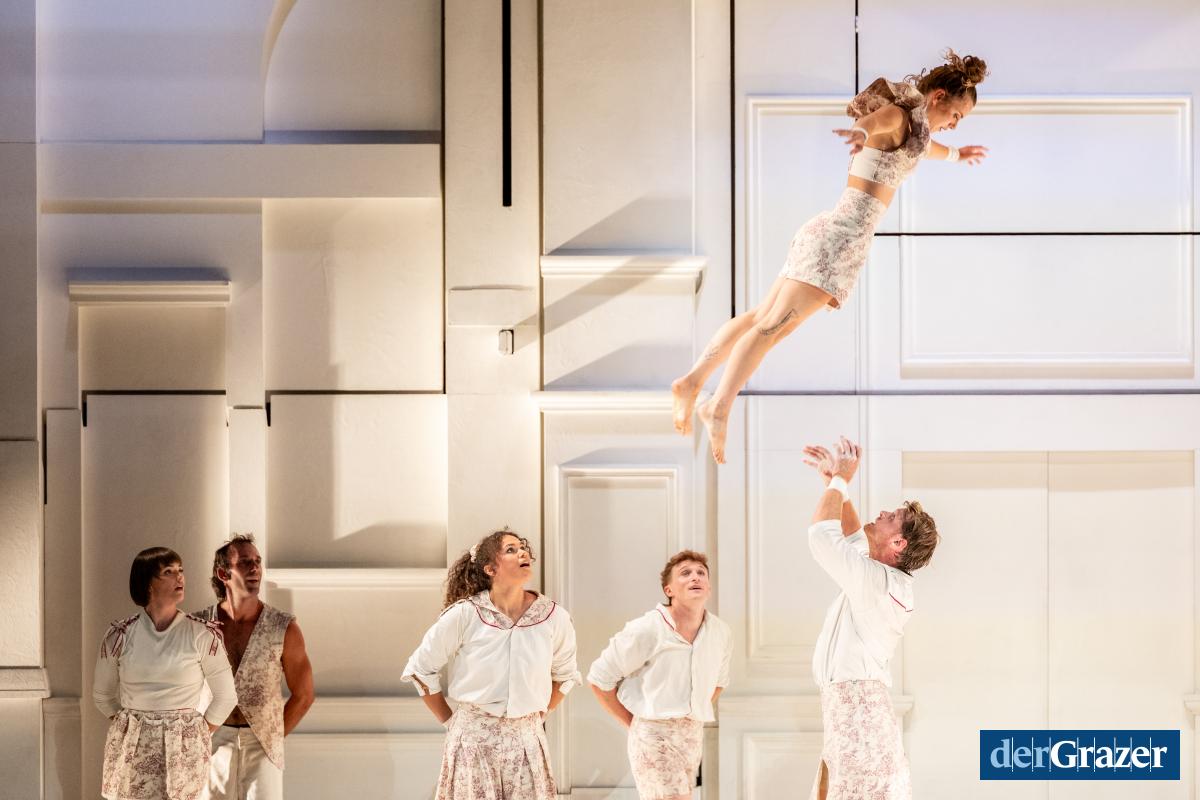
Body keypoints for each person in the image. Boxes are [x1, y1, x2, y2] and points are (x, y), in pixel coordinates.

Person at [672, 49, 990, 463]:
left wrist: (958, 154)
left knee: (760, 319)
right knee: (771, 328)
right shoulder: (901, 115)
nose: (955, 124)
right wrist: (861, 133)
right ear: (939, 97)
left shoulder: (916, 133)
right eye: (957, 115)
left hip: (830, 234)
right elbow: (876, 123)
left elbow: (926, 149)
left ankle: (691, 382)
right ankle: (718, 406)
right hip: (838, 241)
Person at [802, 437, 940, 799]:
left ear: (899, 544)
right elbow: (853, 539)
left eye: (891, 518)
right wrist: (835, 485)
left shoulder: (878, 585)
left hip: (859, 723)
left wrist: (840, 481)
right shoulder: (882, 575)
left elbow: (822, 536)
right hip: (852, 716)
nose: (881, 513)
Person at [402, 529, 582, 800]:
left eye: (523, 548)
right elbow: (420, 669)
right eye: (511, 549)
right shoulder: (465, 614)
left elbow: (565, 675)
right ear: (490, 568)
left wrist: (537, 716)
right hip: (473, 742)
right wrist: (450, 721)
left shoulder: (554, 617)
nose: (522, 553)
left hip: (527, 743)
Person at [93, 547, 238, 800]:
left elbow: (226, 697)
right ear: (148, 583)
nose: (179, 577)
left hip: (185, 747)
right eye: (168, 572)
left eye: (180, 570)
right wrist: (130, 727)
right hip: (132, 746)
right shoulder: (120, 635)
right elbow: (102, 696)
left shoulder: (202, 634)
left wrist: (194, 733)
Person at [588, 550, 732, 800]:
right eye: (685, 573)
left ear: (708, 588)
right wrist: (635, 724)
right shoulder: (647, 628)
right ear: (669, 590)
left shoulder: (720, 632)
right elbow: (599, 679)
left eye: (701, 573)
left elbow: (719, 682)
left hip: (692, 735)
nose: (695, 577)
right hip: (653, 735)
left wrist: (689, 709)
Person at [196, 534, 314, 800]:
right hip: (211, 741)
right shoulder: (198, 626)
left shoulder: (283, 627)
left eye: (258, 562)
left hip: (263, 744)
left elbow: (304, 694)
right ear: (223, 574)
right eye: (245, 562)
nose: (255, 568)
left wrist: (271, 737)